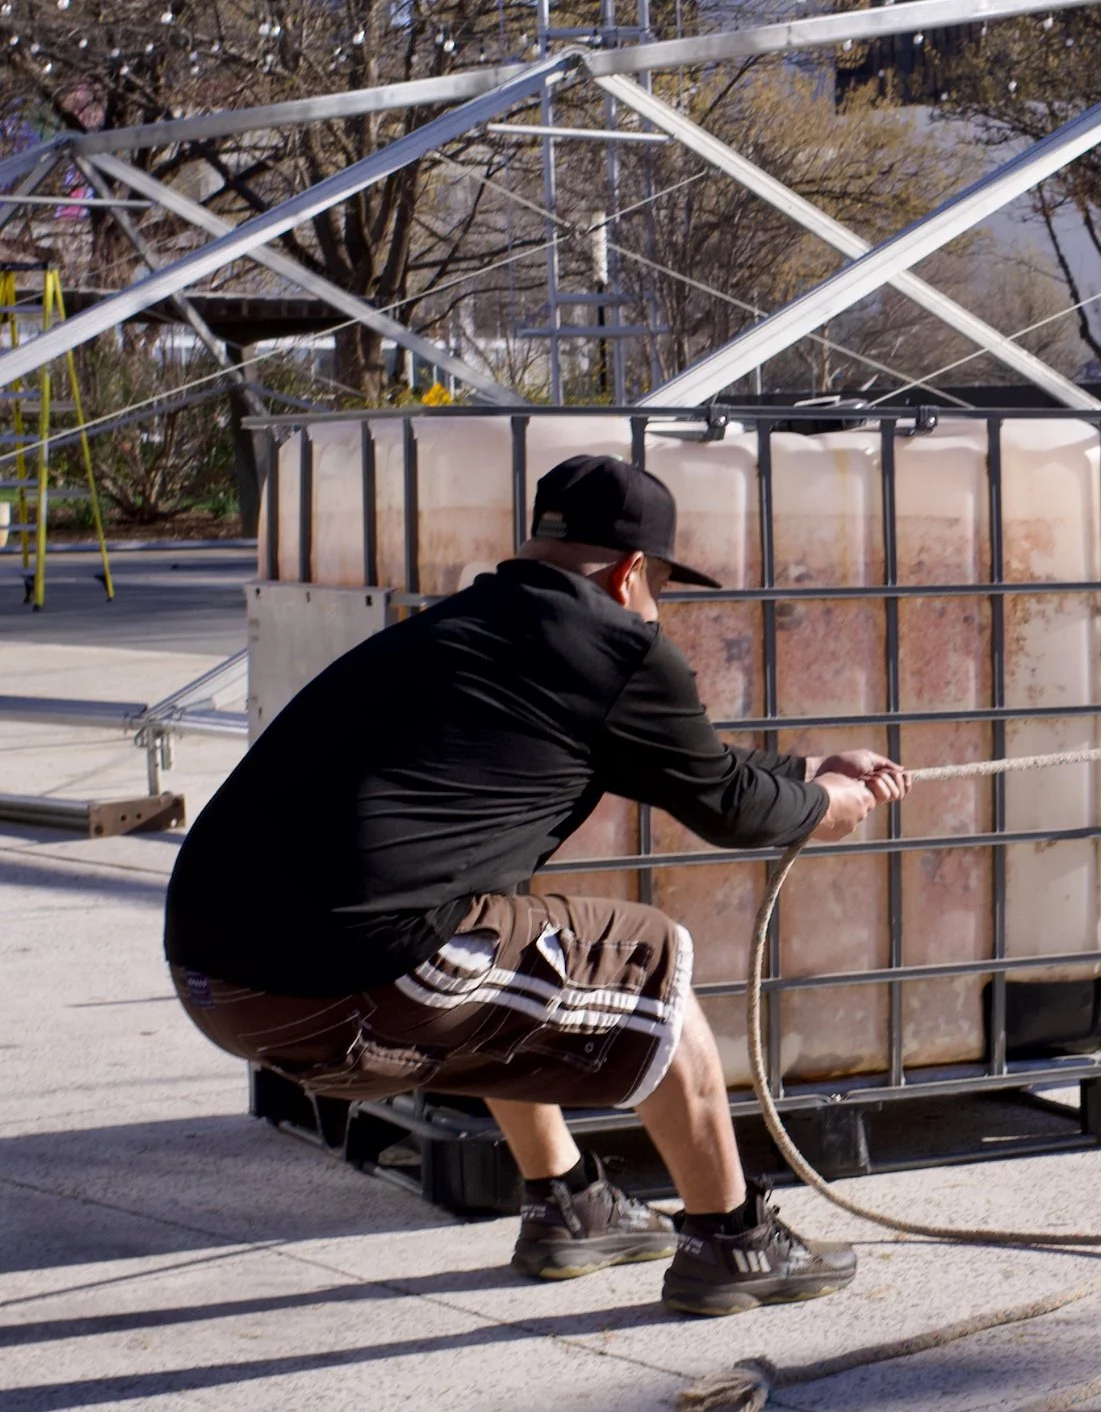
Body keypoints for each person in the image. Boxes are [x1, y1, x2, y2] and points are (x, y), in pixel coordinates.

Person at [164, 455, 909, 1316]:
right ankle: (732, 1240)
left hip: (219, 983)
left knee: (514, 946)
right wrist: (826, 803)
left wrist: (809, 768)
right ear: (632, 573)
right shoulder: (621, 648)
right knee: (647, 961)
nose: (659, 608)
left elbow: (698, 769)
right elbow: (732, 812)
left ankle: (567, 1202)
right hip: (346, 981)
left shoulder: (457, 631)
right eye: (662, 585)